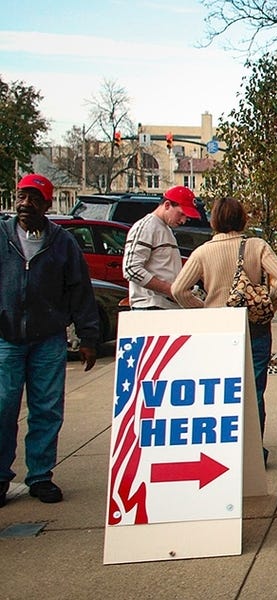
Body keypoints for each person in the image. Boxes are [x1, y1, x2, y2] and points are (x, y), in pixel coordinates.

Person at [0, 174, 99, 506]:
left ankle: (40, 475)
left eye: (33, 198)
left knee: (46, 409)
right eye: (21, 197)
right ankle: (1, 475)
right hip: (7, 338)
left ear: (47, 204)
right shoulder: (2, 236)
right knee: (3, 407)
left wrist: (88, 336)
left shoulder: (61, 242)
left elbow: (80, 290)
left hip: (48, 340)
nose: (25, 204)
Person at [171, 197, 277, 464]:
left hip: (218, 328)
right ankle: (253, 452)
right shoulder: (256, 246)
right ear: (242, 218)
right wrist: (267, 303)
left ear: (214, 220)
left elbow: (179, 289)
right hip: (254, 325)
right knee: (255, 390)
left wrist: (202, 308)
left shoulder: (202, 252)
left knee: (223, 393)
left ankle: (226, 450)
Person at [123, 185, 200, 309]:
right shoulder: (146, 226)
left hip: (163, 305)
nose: (183, 221)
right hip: (150, 305)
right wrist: (170, 290)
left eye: (186, 217)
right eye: (181, 214)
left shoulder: (165, 229)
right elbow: (131, 269)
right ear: (167, 205)